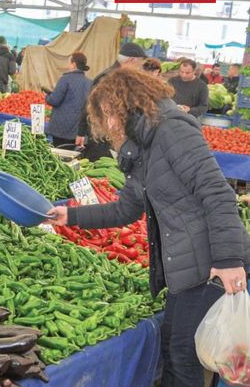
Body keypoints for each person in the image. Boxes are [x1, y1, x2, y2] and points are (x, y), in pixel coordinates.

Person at [47, 67, 249, 387]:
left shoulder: (172, 131)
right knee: (174, 349)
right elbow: (126, 209)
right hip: (184, 266)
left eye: (107, 116)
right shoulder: (143, 145)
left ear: (121, 106)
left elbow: (217, 192)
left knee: (183, 356)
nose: (107, 126)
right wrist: (68, 216)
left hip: (208, 263)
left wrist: (228, 260)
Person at [76, 41, 147, 161]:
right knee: (101, 169)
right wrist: (81, 132)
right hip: (103, 137)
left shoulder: (124, 77)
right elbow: (89, 104)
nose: (140, 67)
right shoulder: (108, 78)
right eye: (140, 63)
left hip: (116, 135)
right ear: (131, 60)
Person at [44, 52, 92, 147]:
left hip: (62, 129)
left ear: (73, 65)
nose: (67, 65)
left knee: (59, 155)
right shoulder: (90, 82)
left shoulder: (65, 79)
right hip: (79, 130)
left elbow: (54, 100)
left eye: (68, 63)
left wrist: (47, 97)